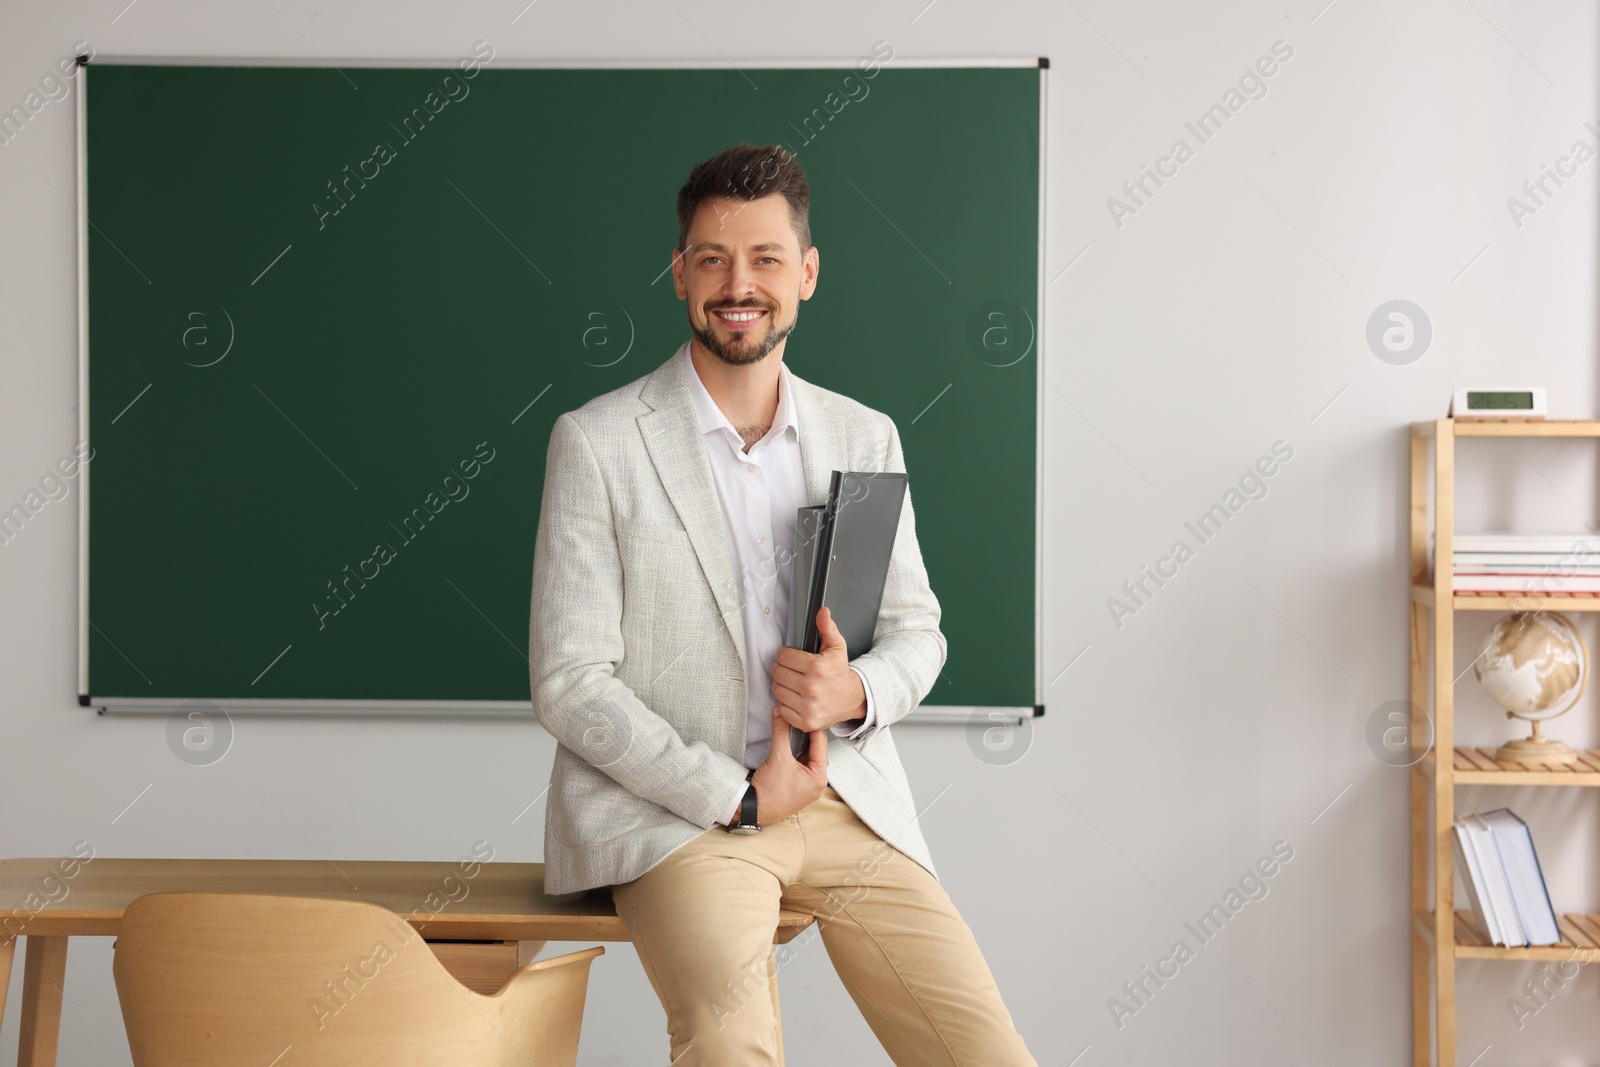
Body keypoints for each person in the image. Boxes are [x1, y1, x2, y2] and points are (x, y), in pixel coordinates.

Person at [528, 142, 1035, 1067]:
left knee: (987, 1054)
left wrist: (855, 694)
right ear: (680, 273)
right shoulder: (599, 443)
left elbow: (919, 630)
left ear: (806, 274)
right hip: (685, 815)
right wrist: (739, 795)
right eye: (713, 258)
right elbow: (569, 682)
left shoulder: (862, 434)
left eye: (765, 258)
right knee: (732, 1047)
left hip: (849, 801)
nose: (738, 283)